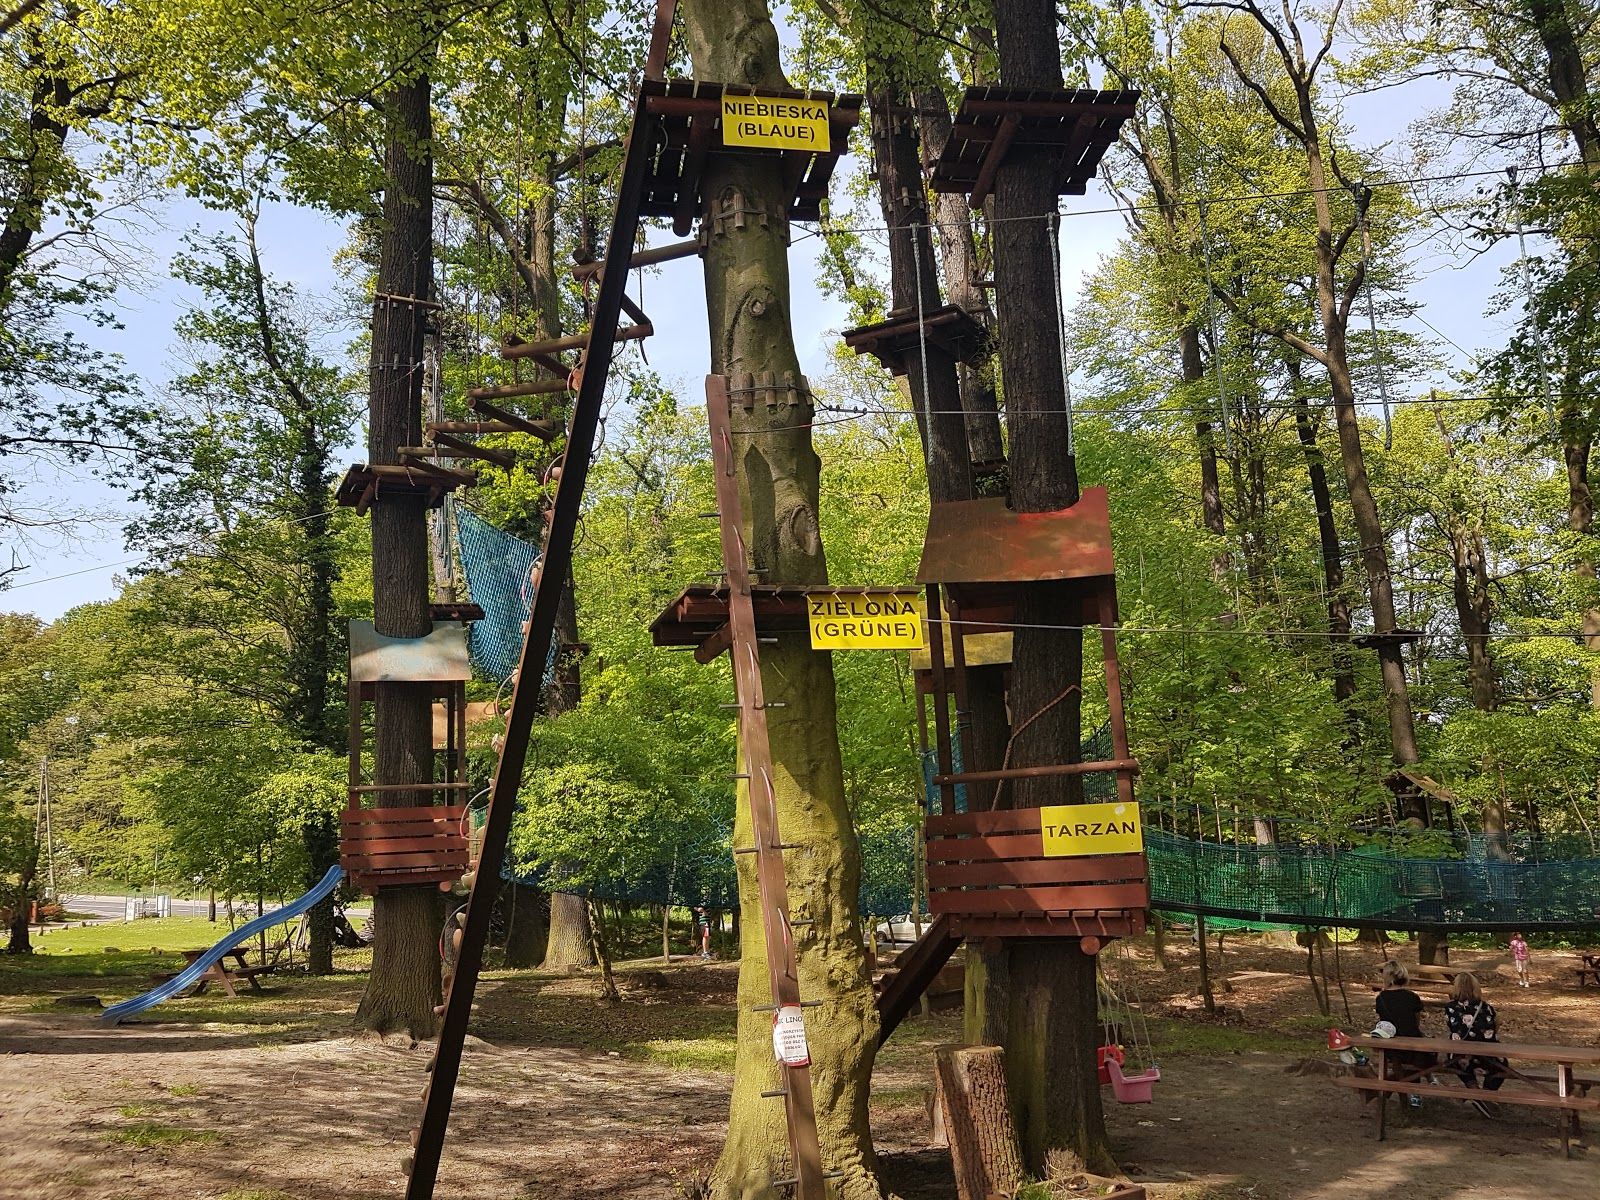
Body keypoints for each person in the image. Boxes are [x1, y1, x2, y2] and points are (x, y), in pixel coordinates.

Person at [1445, 971, 1503, 1118]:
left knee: (1455, 1061)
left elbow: (1452, 1028)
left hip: (1462, 1056)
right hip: (1488, 1056)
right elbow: (1496, 1024)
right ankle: (1487, 1093)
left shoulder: (1451, 1008)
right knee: (1502, 1065)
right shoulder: (1486, 1007)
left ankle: (1474, 1090)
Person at [1375, 959, 1433, 1107]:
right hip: (1413, 1042)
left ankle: (1404, 1093)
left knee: (1398, 1061)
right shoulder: (1412, 997)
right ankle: (1416, 1091)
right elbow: (1416, 1021)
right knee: (1419, 1057)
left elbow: (1384, 1021)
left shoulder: (1381, 998)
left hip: (1391, 1044)